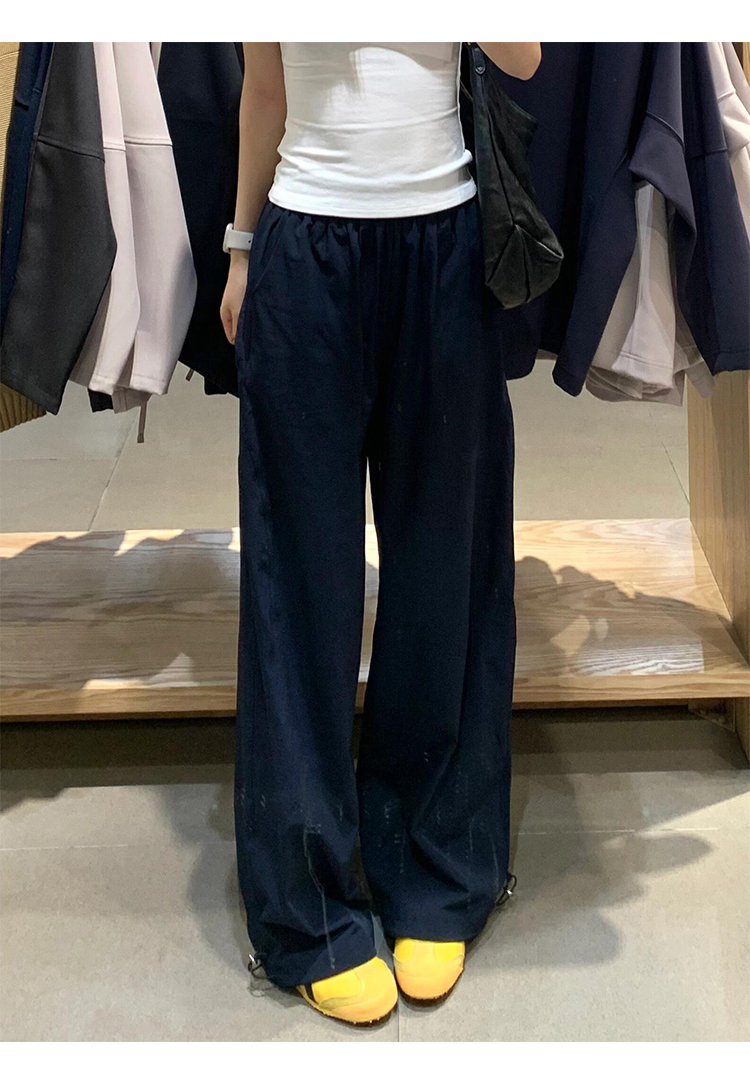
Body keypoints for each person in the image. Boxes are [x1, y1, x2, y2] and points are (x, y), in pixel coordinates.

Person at [221, 41, 541, 1026]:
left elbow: (525, 54)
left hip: (445, 246)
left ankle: (436, 871)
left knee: (447, 566)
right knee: (298, 581)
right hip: (305, 250)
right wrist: (241, 249)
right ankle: (307, 906)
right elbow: (264, 88)